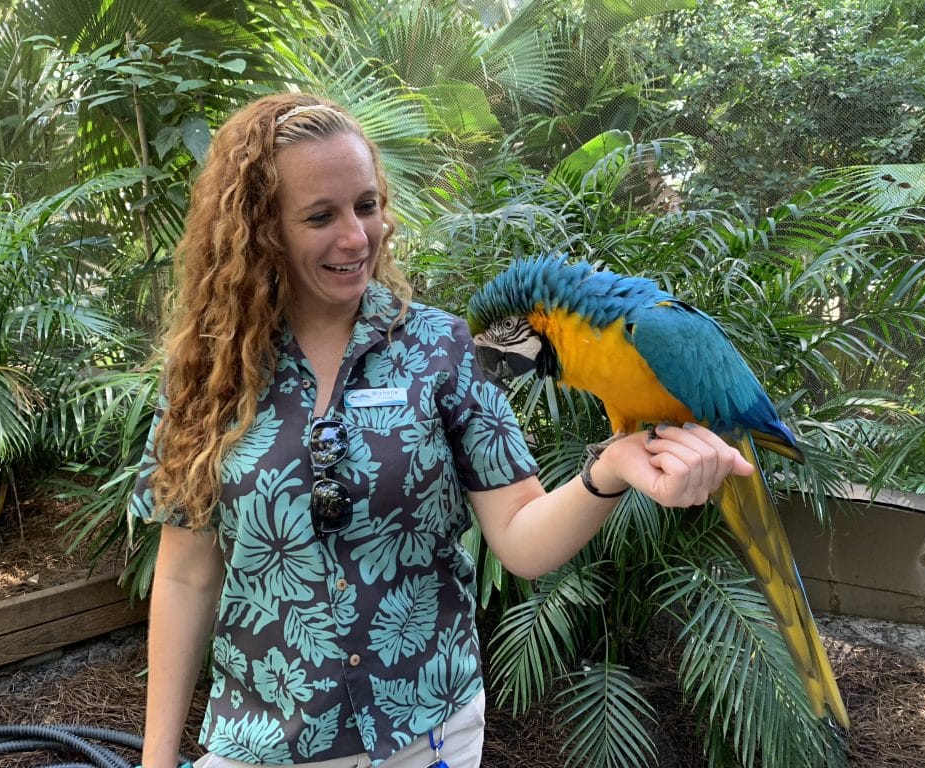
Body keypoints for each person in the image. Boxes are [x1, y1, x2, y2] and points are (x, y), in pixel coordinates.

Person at [128, 92, 753, 768]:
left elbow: (521, 540)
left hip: (426, 736)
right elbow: (187, 577)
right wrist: (158, 759)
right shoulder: (205, 371)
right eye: (320, 216)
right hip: (263, 742)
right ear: (261, 229)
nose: (356, 237)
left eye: (367, 205)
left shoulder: (440, 348)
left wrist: (611, 468)